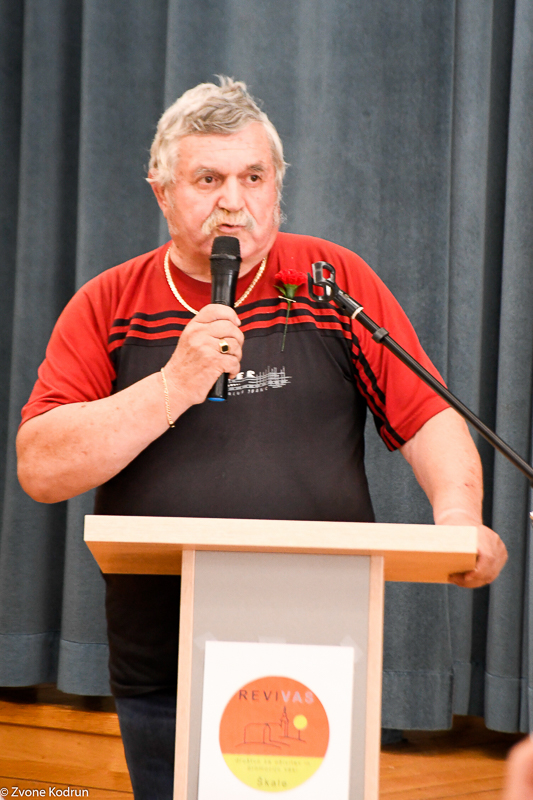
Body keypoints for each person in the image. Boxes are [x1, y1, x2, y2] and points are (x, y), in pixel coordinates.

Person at [16, 77, 507, 798]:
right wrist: (174, 383)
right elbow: (41, 467)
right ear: (161, 192)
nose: (233, 201)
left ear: (278, 186)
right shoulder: (109, 303)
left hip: (323, 643)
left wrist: (458, 518)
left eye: (253, 177)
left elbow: (426, 414)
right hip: (164, 654)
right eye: (207, 179)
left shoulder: (331, 281)